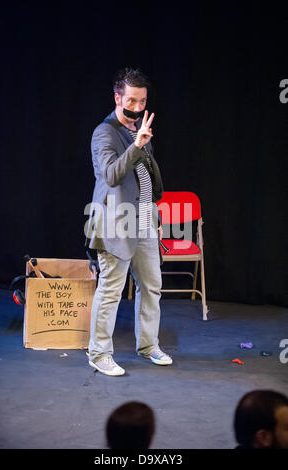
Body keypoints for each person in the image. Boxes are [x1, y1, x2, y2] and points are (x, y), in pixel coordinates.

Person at [86, 67, 172, 376]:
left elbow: (144, 180)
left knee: (152, 286)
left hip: (145, 222)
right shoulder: (104, 133)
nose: (136, 108)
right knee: (111, 290)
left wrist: (156, 216)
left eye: (142, 101)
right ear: (117, 97)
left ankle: (148, 346)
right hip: (117, 224)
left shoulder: (139, 132)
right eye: (131, 101)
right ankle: (99, 354)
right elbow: (111, 175)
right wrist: (136, 146)